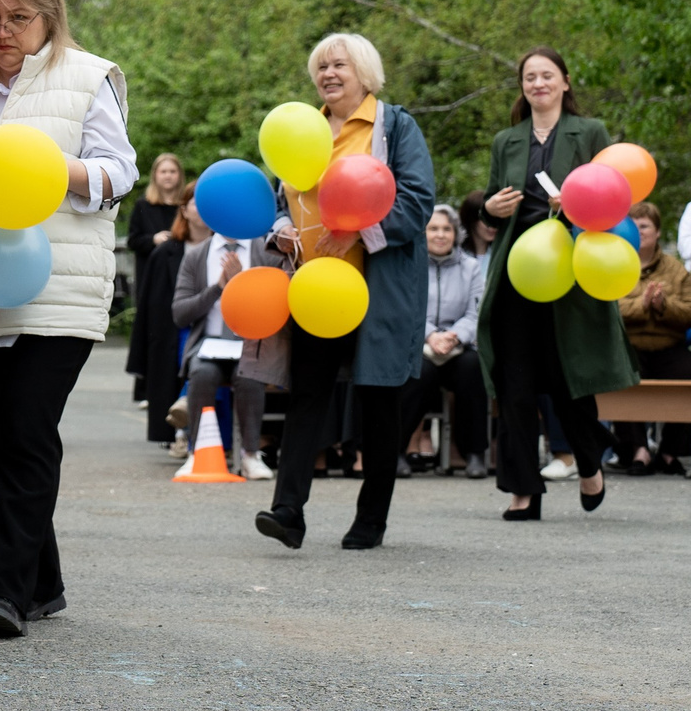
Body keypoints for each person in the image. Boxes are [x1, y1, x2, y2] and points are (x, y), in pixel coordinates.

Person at [0, 0, 138, 638]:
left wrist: (44, 168)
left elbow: (118, 173)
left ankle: (6, 590)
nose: (2, 31)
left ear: (49, 16)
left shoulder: (87, 77)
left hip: (59, 285)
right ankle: (44, 582)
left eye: (18, 17)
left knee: (24, 427)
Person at [249, 33, 435, 550]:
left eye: (339, 65)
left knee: (378, 401)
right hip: (316, 288)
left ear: (365, 73)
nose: (328, 74)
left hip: (379, 289)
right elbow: (280, 196)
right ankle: (288, 512)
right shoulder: (301, 128)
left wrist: (358, 231)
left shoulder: (395, 126)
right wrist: (281, 228)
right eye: (321, 66)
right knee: (307, 396)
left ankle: (371, 519)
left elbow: (418, 200)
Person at [473, 47, 632, 520]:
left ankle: (589, 457)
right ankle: (523, 491)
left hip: (572, 271)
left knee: (569, 378)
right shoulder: (506, 140)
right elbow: (490, 207)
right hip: (517, 272)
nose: (537, 84)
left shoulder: (591, 132)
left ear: (565, 81)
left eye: (546, 75)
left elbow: (614, 197)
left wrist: (578, 204)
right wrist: (489, 209)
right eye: (529, 77)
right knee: (515, 384)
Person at [171, 197, 278, 478]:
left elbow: (277, 304)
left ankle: (251, 454)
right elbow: (180, 313)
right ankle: (197, 452)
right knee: (202, 374)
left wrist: (243, 286)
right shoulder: (197, 255)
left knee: (250, 375)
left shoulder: (264, 251)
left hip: (251, 346)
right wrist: (218, 287)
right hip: (208, 345)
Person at [611, 201, 691, 475]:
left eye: (645, 226)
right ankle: (638, 450)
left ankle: (669, 452)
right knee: (620, 374)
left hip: (668, 345)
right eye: (633, 225)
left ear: (658, 231)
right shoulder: (614, 264)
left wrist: (664, 306)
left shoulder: (675, 269)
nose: (639, 231)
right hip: (629, 346)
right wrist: (642, 305)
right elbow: (608, 308)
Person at [400, 203, 488, 478]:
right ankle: (397, 451)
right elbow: (407, 311)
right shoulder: (410, 265)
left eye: (447, 229)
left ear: (456, 233)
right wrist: (430, 335)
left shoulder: (471, 267)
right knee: (418, 373)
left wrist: (454, 336)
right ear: (423, 233)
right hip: (421, 344)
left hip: (457, 345)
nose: (440, 235)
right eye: (433, 229)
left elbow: (475, 313)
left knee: (472, 368)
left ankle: (474, 454)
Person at [132, 181, 190, 450]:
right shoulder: (144, 208)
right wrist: (152, 240)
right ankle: (176, 430)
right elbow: (134, 239)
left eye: (173, 171)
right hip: (166, 301)